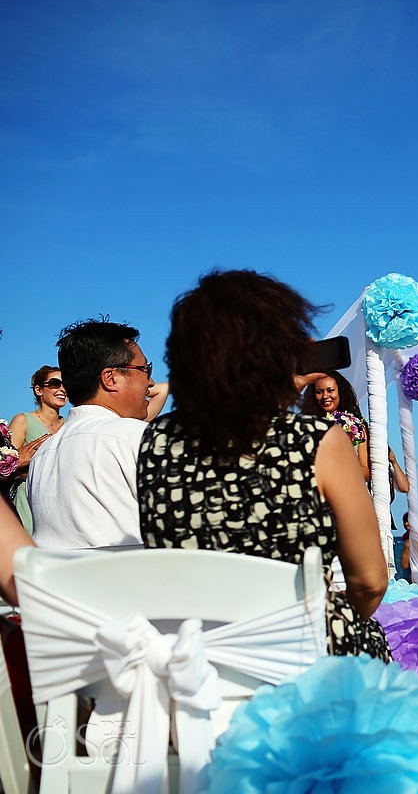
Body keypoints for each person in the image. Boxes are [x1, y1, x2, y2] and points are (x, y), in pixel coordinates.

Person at [135, 270, 390, 660]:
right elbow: (370, 582)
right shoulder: (317, 439)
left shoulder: (156, 441)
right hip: (298, 654)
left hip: (200, 655)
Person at [27, 320, 168, 548]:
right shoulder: (136, 436)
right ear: (110, 378)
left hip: (56, 582)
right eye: (144, 369)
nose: (150, 382)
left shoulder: (42, 454)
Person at [301, 370, 410, 492]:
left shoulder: (356, 426)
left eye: (330, 390)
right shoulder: (305, 427)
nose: (325, 396)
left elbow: (366, 471)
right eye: (319, 392)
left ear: (340, 392)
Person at [6, 366, 68, 532]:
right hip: (29, 500)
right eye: (55, 383)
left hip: (63, 503)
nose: (62, 388)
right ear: (39, 390)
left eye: (66, 383)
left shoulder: (71, 424)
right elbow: (5, 464)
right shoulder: (22, 420)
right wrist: (19, 464)